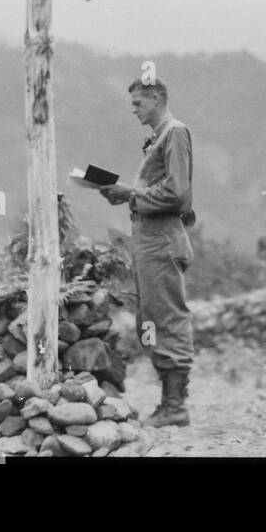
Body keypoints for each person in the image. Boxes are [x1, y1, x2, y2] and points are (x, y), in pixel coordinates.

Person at [99, 78, 195, 428]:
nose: (134, 109)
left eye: (139, 103)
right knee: (151, 318)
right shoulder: (159, 137)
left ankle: (175, 405)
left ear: (157, 98)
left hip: (162, 240)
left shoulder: (175, 133)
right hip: (149, 239)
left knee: (167, 316)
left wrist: (131, 195)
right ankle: (169, 403)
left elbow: (178, 194)